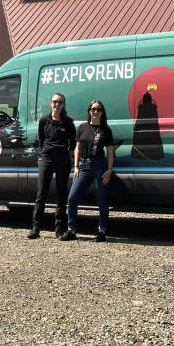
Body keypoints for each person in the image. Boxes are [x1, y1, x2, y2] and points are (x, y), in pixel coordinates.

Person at [60, 99, 115, 243]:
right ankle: (71, 230)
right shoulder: (83, 127)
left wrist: (109, 170)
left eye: (98, 110)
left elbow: (110, 152)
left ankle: (102, 231)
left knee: (102, 200)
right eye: (93, 109)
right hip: (83, 166)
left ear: (102, 113)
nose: (95, 112)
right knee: (72, 198)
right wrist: (76, 166)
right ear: (89, 111)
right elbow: (77, 147)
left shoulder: (105, 130)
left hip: (99, 166)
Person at [27, 93, 76, 239]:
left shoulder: (68, 122)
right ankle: (36, 228)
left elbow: (73, 142)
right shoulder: (44, 121)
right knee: (41, 193)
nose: (57, 104)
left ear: (63, 105)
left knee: (61, 195)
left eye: (60, 102)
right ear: (51, 103)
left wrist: (68, 154)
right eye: (55, 102)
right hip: (47, 158)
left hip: (62, 159)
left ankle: (59, 229)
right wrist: (43, 156)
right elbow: (41, 141)